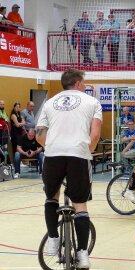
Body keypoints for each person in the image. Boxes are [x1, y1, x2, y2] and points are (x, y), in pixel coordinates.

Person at [36, 69, 102, 269]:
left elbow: (39, 134)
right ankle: (82, 255)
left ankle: (53, 241)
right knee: (80, 205)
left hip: (53, 154)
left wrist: (54, 146)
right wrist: (85, 151)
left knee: (51, 197)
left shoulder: (49, 102)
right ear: (79, 83)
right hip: (78, 155)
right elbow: (96, 135)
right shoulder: (92, 102)